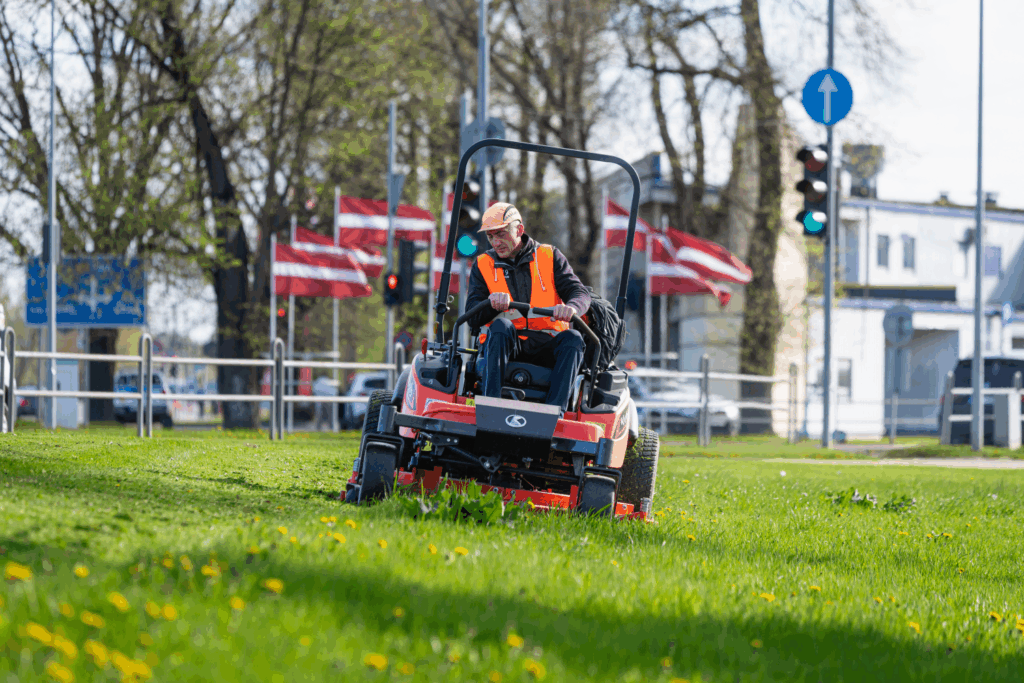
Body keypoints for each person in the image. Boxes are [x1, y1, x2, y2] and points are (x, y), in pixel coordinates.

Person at [464, 202, 591, 413]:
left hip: (546, 344)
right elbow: (473, 316)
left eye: (501, 234)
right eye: (490, 237)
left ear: (519, 229)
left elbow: (579, 293)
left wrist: (572, 308)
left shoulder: (550, 256)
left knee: (574, 339)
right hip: (505, 344)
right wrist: (491, 304)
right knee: (501, 327)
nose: (496, 242)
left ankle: (554, 415)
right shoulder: (483, 264)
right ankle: (490, 409)